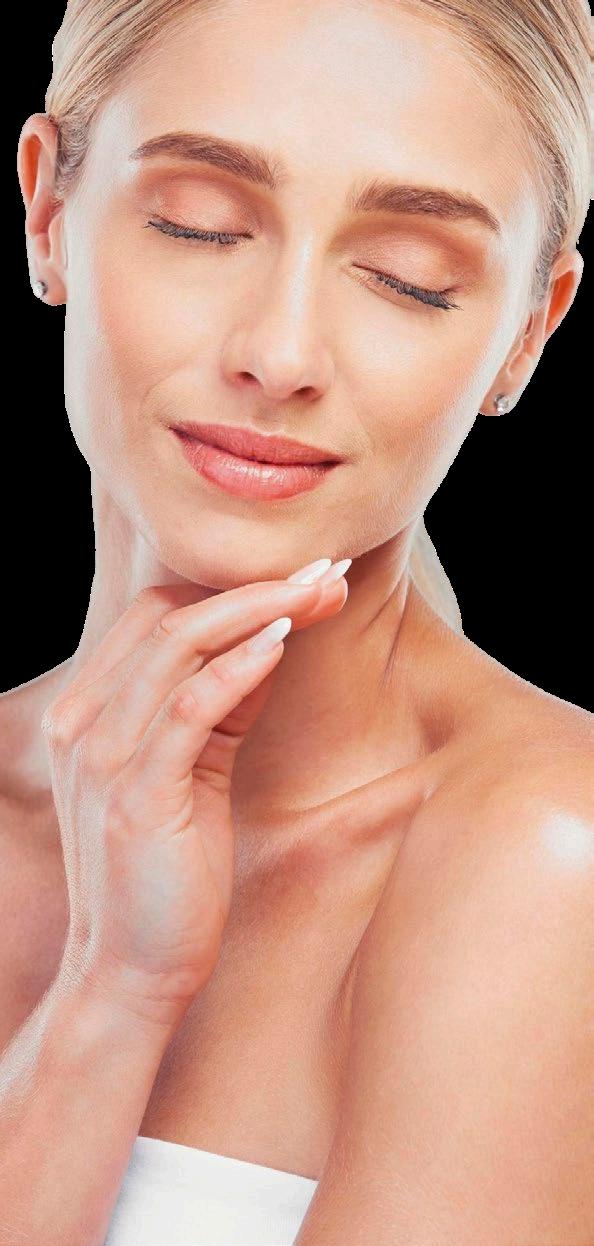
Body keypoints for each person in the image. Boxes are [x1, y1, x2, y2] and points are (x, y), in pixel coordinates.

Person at [1, 1, 593, 1243]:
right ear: (49, 209)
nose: (279, 353)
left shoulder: (554, 860)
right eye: (197, 223)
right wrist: (111, 990)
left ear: (525, 336)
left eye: (410, 278)